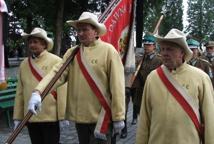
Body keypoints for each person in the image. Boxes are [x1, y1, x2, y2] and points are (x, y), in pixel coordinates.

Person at [27, 12, 125, 144]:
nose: (80, 33)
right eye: (78, 30)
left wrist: (119, 116)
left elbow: (117, 85)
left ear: (96, 32)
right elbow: (57, 74)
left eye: (85, 29)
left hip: (102, 118)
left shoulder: (109, 51)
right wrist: (38, 92)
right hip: (80, 119)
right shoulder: (72, 52)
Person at [136, 28, 214, 144]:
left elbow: (210, 119)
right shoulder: (153, 77)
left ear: (182, 52)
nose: (165, 53)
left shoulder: (201, 78)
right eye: (163, 49)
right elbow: (144, 119)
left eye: (170, 49)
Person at [13, 27, 67, 144]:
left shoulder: (56, 61)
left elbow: (62, 90)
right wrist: (17, 116)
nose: (32, 45)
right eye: (30, 42)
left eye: (35, 42)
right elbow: (20, 92)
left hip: (50, 116)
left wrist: (62, 116)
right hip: (31, 115)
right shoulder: (24, 64)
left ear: (44, 44)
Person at [131, 34, 162, 124]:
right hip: (141, 91)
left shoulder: (159, 60)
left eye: (149, 45)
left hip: (154, 91)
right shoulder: (140, 59)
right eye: (145, 45)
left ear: (154, 46)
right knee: (142, 116)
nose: (146, 47)